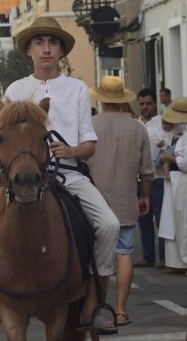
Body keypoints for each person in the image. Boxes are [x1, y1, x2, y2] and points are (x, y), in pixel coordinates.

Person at [0, 17, 120, 335]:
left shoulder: (76, 90)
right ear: (29, 49)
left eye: (53, 42)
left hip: (67, 174)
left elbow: (89, 144)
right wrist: (0, 142)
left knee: (109, 225)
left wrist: (71, 152)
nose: (46, 48)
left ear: (61, 50)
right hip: (14, 178)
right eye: (40, 42)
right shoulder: (17, 89)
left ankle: (96, 303)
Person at [87, 75, 153, 327]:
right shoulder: (138, 128)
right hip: (126, 201)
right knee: (124, 254)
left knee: (94, 257)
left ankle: (93, 309)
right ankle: (121, 310)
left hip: (94, 204)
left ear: (101, 98)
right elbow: (146, 171)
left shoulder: (90, 125)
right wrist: (144, 195)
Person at [158, 97, 187, 271]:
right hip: (179, 179)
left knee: (183, 221)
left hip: (183, 178)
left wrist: (170, 158)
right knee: (179, 220)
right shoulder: (183, 133)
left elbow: (185, 162)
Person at [135, 88, 162, 268]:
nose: (145, 107)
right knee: (143, 220)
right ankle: (148, 257)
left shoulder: (163, 123)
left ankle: (168, 259)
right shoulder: (135, 125)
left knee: (162, 220)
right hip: (138, 180)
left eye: (148, 103)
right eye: (142, 104)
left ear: (155, 104)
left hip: (158, 178)